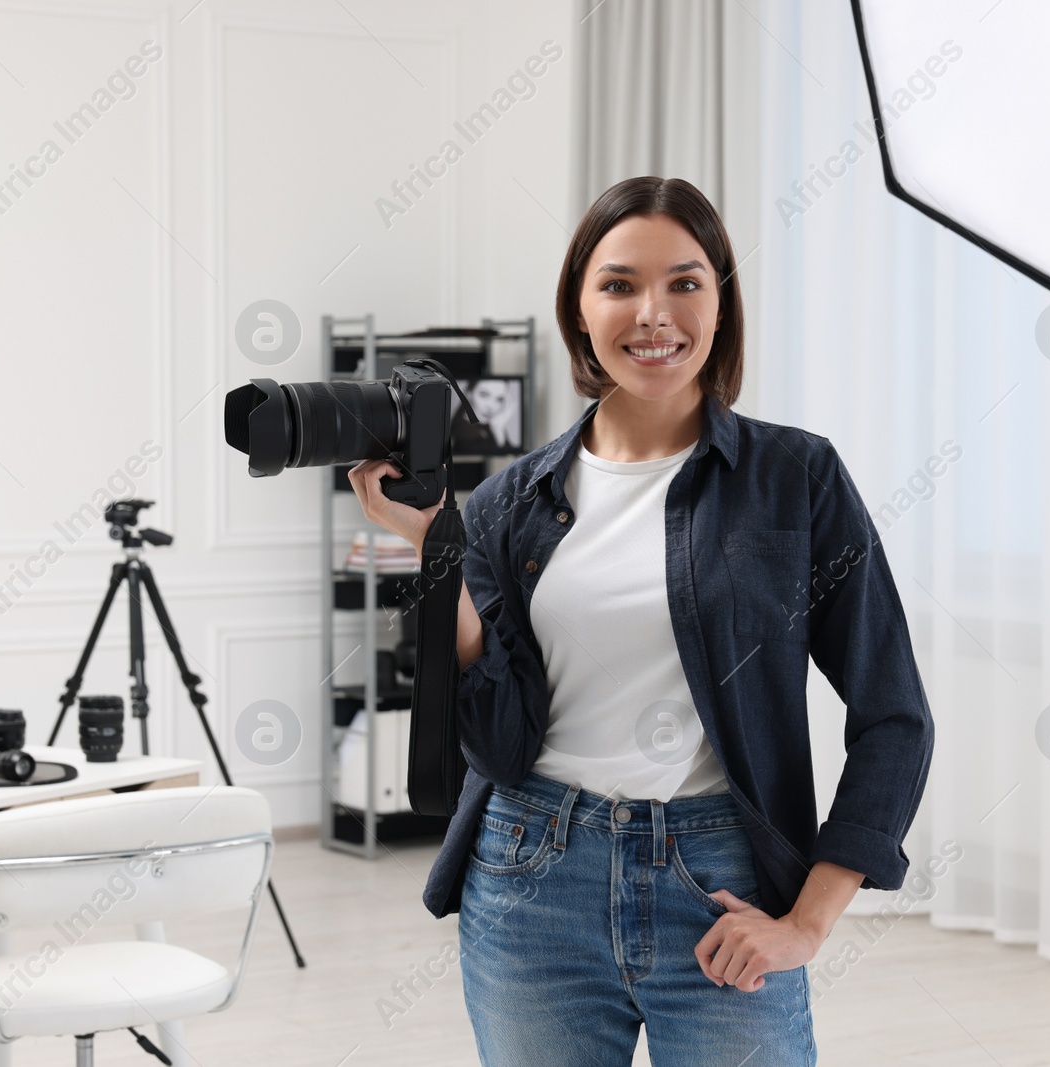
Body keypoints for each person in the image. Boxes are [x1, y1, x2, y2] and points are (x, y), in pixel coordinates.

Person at [348, 176, 934, 1066]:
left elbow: (894, 714)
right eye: (619, 284)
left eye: (685, 282)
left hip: (722, 885)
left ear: (721, 302)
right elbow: (496, 738)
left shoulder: (796, 478)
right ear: (580, 308)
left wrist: (809, 920)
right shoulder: (512, 500)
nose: (653, 313)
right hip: (531, 874)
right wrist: (439, 550)